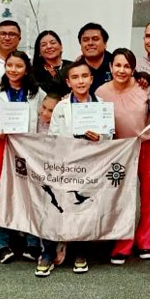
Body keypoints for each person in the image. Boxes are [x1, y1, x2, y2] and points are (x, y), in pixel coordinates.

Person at [36, 60, 112, 277]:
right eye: (75, 78)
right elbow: (53, 138)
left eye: (84, 77)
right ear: (68, 82)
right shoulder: (61, 107)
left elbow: (109, 137)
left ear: (91, 79)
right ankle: (48, 252)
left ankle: (80, 251)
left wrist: (99, 138)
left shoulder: (102, 105)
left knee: (83, 207)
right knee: (55, 207)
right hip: (65, 165)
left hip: (89, 167)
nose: (80, 81)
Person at [96, 48, 150, 264]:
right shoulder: (101, 93)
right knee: (122, 198)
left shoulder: (145, 88)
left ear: (134, 69)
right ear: (110, 67)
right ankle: (122, 243)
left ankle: (147, 241)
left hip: (148, 146)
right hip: (119, 151)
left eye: (127, 66)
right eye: (118, 65)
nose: (121, 70)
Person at [0, 50, 45, 262]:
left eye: (18, 66)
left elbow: (45, 121)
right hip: (4, 151)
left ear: (26, 69)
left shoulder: (37, 94)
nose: (13, 70)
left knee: (31, 195)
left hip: (29, 151)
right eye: (9, 65)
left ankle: (32, 242)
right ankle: (0, 241)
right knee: (4, 195)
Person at [77, 23, 114, 95]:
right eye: (85, 40)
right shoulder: (74, 68)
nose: (90, 43)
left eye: (95, 39)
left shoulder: (116, 64)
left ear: (105, 44)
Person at [32, 30, 72, 96]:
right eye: (44, 45)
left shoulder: (72, 66)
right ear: (39, 51)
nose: (49, 47)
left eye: (53, 43)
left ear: (61, 47)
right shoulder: (34, 72)